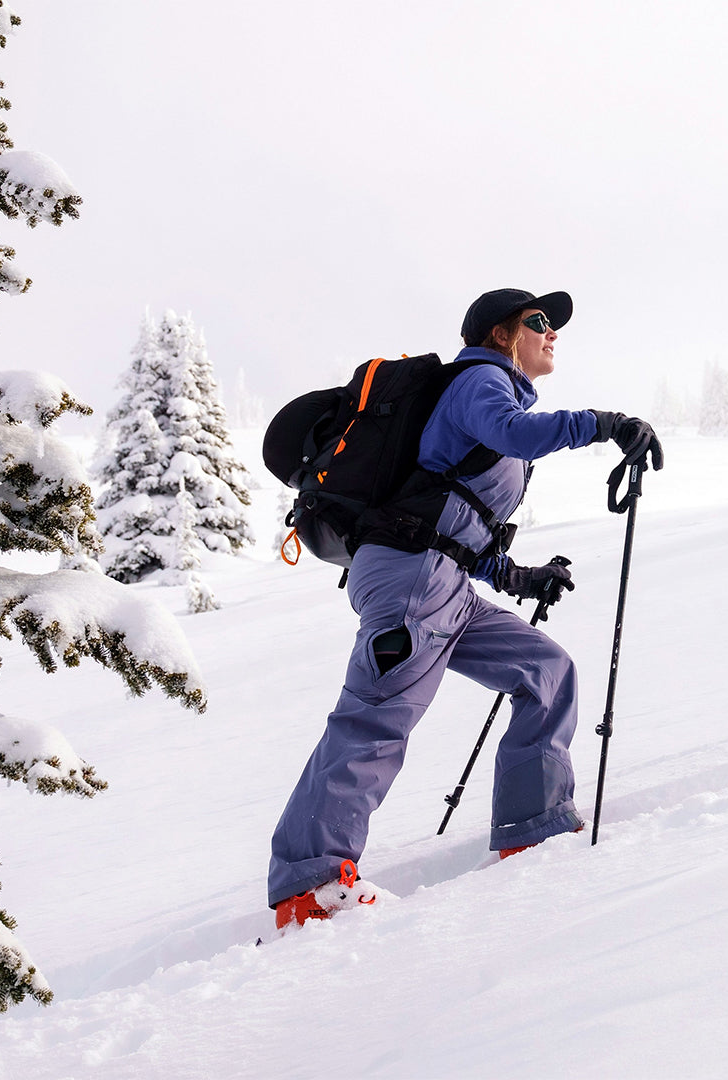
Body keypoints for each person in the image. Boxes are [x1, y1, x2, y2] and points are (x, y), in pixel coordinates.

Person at [268, 287, 664, 929]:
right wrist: (605, 423)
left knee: (546, 671)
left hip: (442, 576)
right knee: (376, 715)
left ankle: (534, 829)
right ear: (503, 335)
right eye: (540, 322)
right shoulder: (481, 380)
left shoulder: (490, 397)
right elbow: (516, 437)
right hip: (411, 577)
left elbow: (451, 521)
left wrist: (518, 576)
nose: (552, 333)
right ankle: (311, 884)